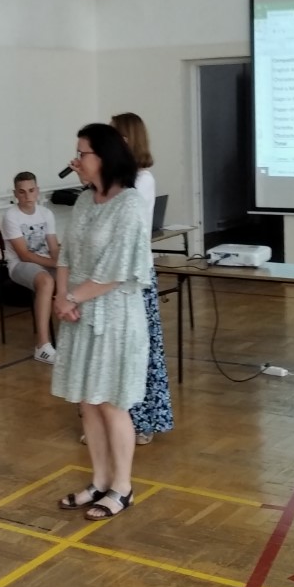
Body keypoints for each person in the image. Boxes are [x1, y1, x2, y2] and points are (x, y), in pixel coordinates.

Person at [52, 124, 152, 522]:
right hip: (78, 311)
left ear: (104, 158)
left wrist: (71, 298)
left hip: (114, 316)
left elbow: (117, 270)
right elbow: (65, 256)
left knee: (111, 403)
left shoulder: (129, 204)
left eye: (82, 153)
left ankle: (122, 488)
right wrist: (62, 297)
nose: (75, 160)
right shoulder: (83, 201)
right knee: (88, 403)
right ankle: (98, 480)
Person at [112, 112, 173, 446]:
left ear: (126, 139)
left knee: (140, 349)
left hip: (134, 274)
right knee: (112, 351)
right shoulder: (111, 178)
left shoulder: (142, 179)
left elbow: (129, 222)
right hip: (110, 274)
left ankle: (143, 420)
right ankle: (112, 421)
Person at [1, 171, 59, 364]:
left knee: (74, 277)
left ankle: (74, 339)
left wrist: (63, 265)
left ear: (37, 191)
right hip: (20, 266)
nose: (27, 196)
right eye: (22, 192)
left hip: (45, 261)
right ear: (15, 194)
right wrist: (55, 264)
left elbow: (53, 248)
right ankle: (42, 345)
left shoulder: (46, 213)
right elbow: (24, 255)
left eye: (31, 190)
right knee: (46, 281)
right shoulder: (11, 216)